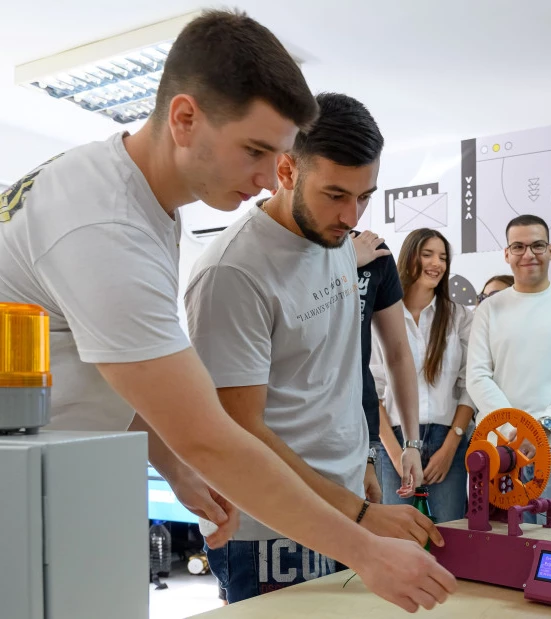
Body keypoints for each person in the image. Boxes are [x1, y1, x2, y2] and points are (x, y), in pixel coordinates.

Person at [0, 11, 454, 612]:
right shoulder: (107, 227)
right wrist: (365, 548)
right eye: (255, 151)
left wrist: (175, 468)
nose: (268, 179)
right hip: (25, 492)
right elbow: (213, 434)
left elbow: (116, 373)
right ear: (185, 119)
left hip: (56, 476)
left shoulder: (136, 203)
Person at [184, 93, 444, 602]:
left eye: (364, 196)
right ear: (285, 170)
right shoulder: (232, 273)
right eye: (335, 194)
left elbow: (337, 373)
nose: (351, 215)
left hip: (344, 502)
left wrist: (360, 464)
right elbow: (241, 434)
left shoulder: (336, 242)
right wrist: (359, 514)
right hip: (271, 527)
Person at [467, 214, 551, 524]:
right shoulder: (488, 310)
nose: (528, 254)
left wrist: (542, 427)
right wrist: (514, 433)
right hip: (499, 454)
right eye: (519, 247)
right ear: (507, 253)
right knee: (500, 547)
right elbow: (478, 377)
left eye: (537, 245)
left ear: (550, 250)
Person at [373, 228, 475, 522]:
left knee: (451, 535)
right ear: (408, 258)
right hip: (393, 440)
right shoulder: (382, 316)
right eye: (427, 254)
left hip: (447, 439)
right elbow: (372, 390)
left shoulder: (460, 316)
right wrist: (397, 455)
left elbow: (469, 386)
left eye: (443, 257)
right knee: (399, 536)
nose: (436, 264)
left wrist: (450, 447)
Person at [351, 229, 424, 504]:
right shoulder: (276, 246)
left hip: (361, 428)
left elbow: (398, 354)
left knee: (363, 525)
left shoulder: (374, 252)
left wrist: (412, 444)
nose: (351, 214)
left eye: (362, 204)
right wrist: (344, 262)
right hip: (288, 430)